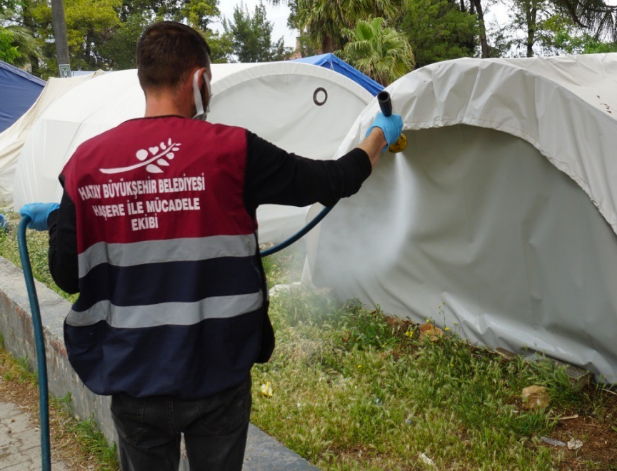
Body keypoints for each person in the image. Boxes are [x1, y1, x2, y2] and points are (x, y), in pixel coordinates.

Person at [20, 21, 402, 471]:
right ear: (199, 79)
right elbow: (334, 180)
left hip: (133, 375)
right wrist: (378, 135)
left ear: (145, 78)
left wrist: (68, 217)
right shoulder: (234, 150)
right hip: (217, 372)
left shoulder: (85, 163)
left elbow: (67, 275)